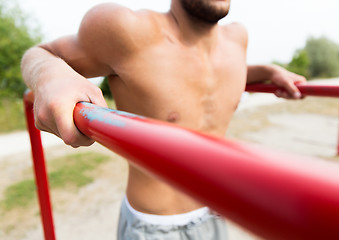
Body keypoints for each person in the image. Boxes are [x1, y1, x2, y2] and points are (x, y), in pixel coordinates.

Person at [21, 0, 306, 239]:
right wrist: (50, 76)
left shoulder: (238, 39)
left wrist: (269, 69)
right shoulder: (125, 29)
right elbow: (42, 53)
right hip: (156, 227)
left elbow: (213, 70)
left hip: (216, 213)